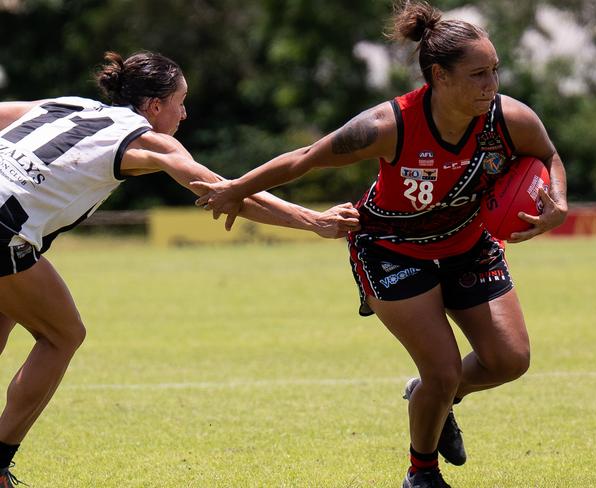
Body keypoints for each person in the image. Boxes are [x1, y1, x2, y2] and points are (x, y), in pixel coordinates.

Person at [194, 2, 568, 487]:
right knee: (443, 369)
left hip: (468, 244)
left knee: (509, 361)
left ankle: (432, 397)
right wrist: (236, 188)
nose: (491, 85)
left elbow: (548, 155)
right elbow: (305, 158)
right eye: (478, 75)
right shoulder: (388, 126)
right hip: (392, 247)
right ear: (439, 75)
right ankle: (422, 472)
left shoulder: (508, 119)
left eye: (495, 71)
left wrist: (557, 202)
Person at [0, 51, 359, 486]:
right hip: (5, 230)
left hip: (13, 233)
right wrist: (313, 220)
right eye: (180, 101)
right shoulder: (147, 139)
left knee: (10, 311)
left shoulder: (66, 105)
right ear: (154, 106)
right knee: (62, 335)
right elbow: (221, 190)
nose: (184, 113)